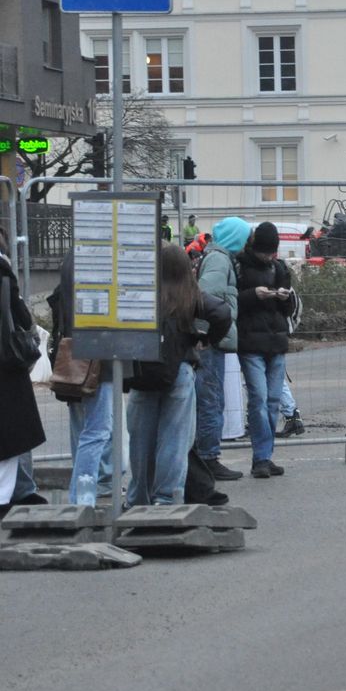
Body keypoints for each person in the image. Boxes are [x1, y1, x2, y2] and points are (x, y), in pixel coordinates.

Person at [125, 244, 231, 507]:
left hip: (142, 373)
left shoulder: (144, 295)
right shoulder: (190, 296)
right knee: (174, 440)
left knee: (141, 443)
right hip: (179, 371)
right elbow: (222, 313)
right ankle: (167, 499)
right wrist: (204, 340)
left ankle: (137, 499)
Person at [52, 253, 117, 503]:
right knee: (97, 430)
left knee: (85, 429)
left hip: (78, 351)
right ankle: (81, 498)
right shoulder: (97, 257)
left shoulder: (72, 258)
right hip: (97, 355)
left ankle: (79, 495)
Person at [195, 216, 251, 481]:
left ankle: (205, 456)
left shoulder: (218, 257)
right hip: (210, 342)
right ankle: (208, 457)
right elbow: (207, 297)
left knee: (211, 398)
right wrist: (212, 331)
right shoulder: (219, 260)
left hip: (210, 340)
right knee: (211, 399)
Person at [236, 221, 293, 478]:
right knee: (259, 399)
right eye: (266, 251)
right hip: (251, 343)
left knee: (271, 401)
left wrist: (286, 298)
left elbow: (289, 310)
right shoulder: (240, 267)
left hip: (276, 342)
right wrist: (252, 295)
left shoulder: (280, 268)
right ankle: (260, 456)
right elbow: (232, 301)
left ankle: (264, 456)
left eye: (272, 251)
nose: (269, 256)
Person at [0, 228, 47, 518]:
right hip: (5, 365)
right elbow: (21, 316)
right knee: (10, 438)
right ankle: (6, 501)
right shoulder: (3, 270)